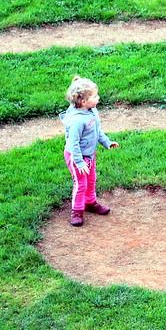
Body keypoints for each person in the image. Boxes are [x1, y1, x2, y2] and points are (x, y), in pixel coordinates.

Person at [60, 75, 120, 227]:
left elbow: (97, 131)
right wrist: (79, 162)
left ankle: (90, 202)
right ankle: (77, 211)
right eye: (95, 96)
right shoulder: (77, 121)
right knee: (80, 184)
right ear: (83, 101)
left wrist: (107, 142)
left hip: (89, 155)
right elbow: (73, 144)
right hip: (77, 157)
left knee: (91, 179)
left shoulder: (92, 111)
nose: (98, 97)